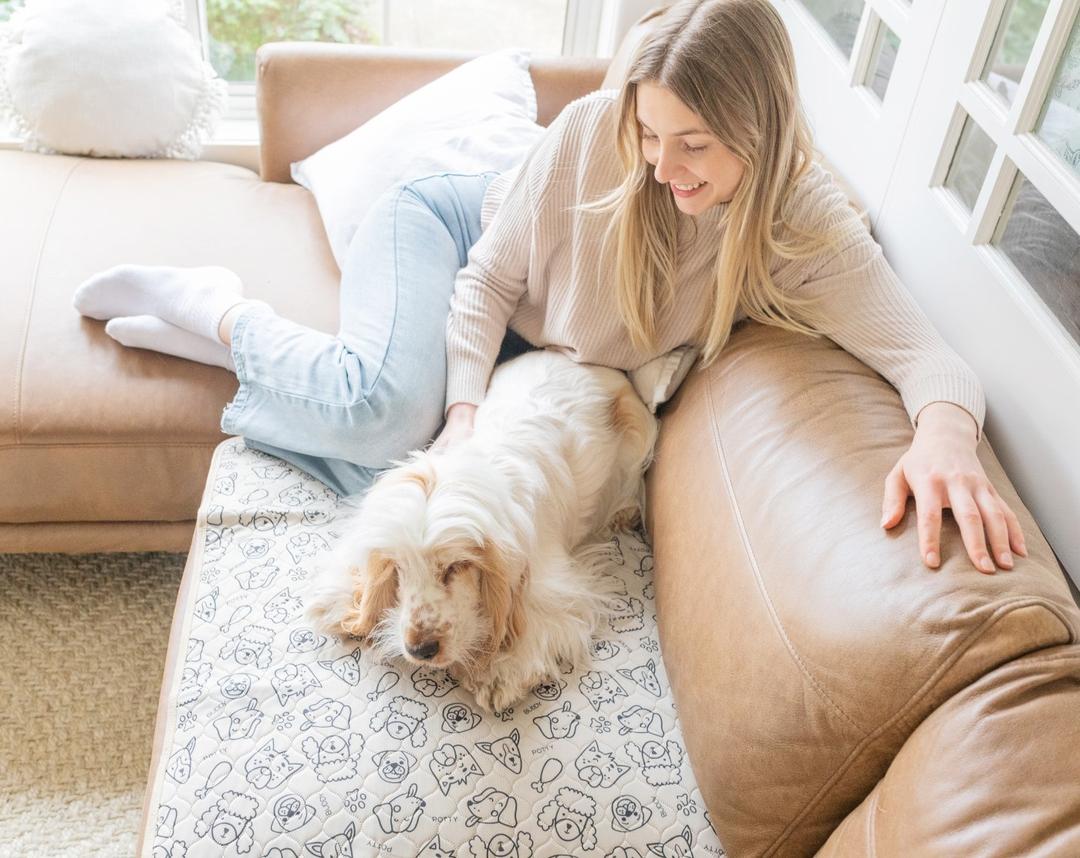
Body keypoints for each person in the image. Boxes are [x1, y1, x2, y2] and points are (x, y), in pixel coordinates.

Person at [72, 0, 1025, 574]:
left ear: (763, 128)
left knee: (443, 501)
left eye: (693, 144)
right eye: (652, 136)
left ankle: (243, 357)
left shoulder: (802, 225)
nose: (661, 166)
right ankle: (222, 310)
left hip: (535, 339)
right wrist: (461, 413)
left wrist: (946, 439)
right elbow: (488, 281)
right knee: (386, 423)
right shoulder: (592, 140)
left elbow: (925, 356)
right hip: (451, 233)